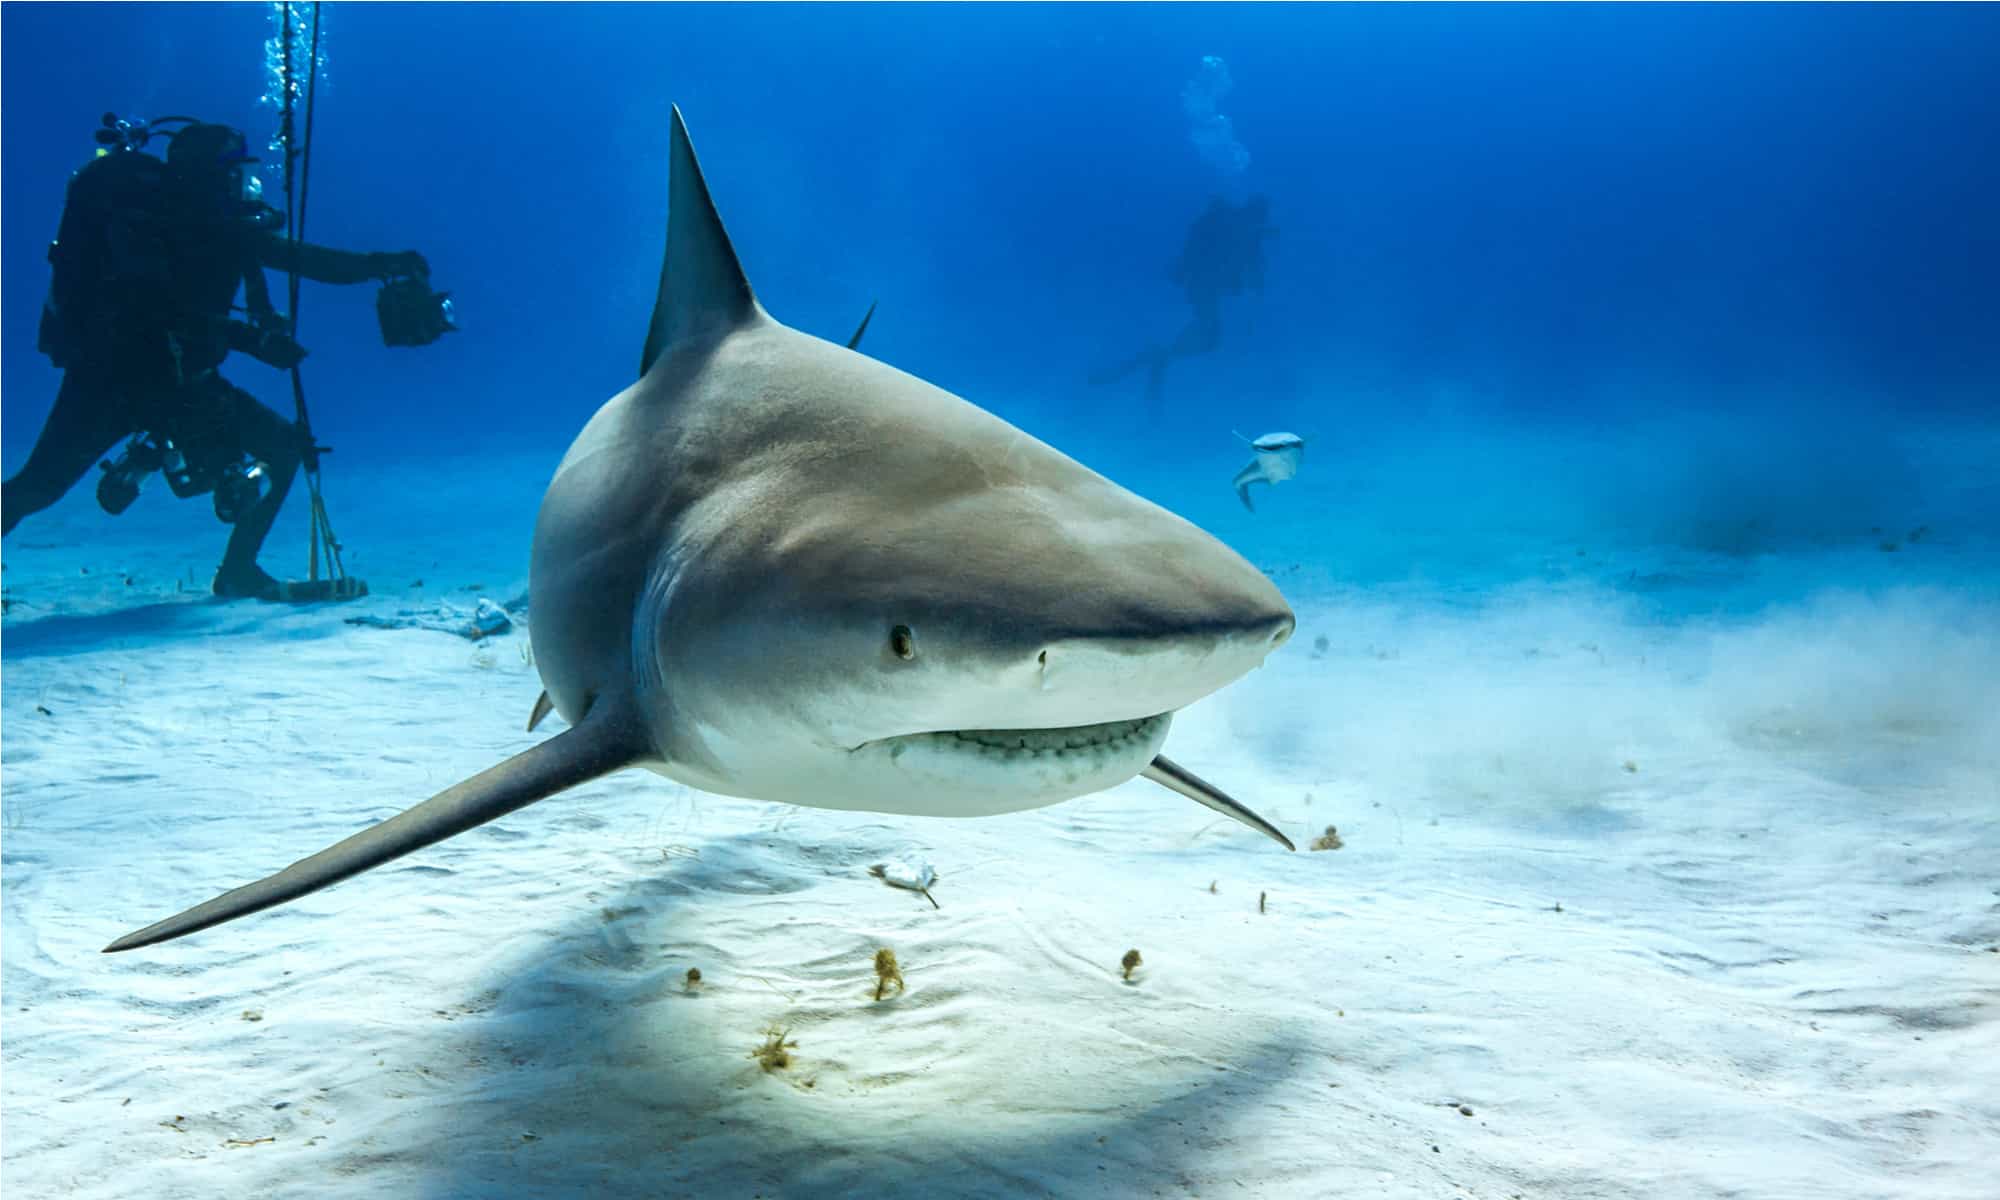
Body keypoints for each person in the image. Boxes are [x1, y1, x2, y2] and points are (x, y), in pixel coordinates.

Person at [2, 118, 431, 600]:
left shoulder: (191, 225)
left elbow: (306, 263)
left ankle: (238, 571)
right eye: (233, 170)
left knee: (37, 488)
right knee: (284, 449)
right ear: (212, 173)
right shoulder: (195, 230)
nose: (242, 181)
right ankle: (238, 570)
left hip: (106, 384)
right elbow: (168, 310)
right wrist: (258, 339)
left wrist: (380, 265)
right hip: (171, 386)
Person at [1090, 194, 1276, 408]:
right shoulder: (1243, 231)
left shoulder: (1239, 229)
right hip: (1203, 287)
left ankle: (1158, 357)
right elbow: (1250, 271)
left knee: (1208, 337)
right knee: (1209, 338)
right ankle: (1158, 356)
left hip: (1201, 286)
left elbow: (1248, 270)